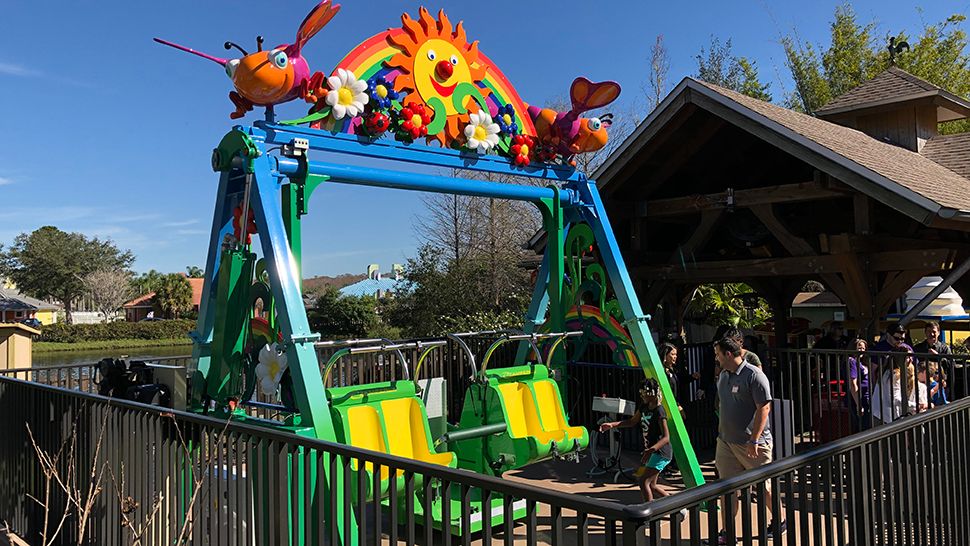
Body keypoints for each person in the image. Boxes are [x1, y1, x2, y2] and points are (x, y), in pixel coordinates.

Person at [709, 336, 784, 544]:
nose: (716, 359)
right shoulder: (723, 375)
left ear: (729, 354)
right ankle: (727, 532)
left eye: (718, 354)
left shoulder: (754, 375)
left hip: (752, 444)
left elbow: (764, 408)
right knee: (726, 488)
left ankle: (779, 520)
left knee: (763, 487)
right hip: (726, 442)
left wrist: (755, 440)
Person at [599, 378, 683, 509]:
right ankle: (678, 507)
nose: (642, 395)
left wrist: (651, 449)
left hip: (661, 452)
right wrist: (612, 425)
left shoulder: (659, 411)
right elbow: (632, 422)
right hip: (653, 452)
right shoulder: (643, 407)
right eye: (641, 392)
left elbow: (666, 437)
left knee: (643, 481)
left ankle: (649, 513)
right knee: (652, 486)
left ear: (653, 393)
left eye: (645, 393)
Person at [871, 346, 928, 424]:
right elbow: (895, 399)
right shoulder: (895, 374)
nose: (911, 360)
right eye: (908, 357)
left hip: (877, 412)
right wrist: (916, 405)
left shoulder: (886, 371)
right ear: (899, 358)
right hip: (885, 416)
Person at [846, 338, 872, 432]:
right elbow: (853, 384)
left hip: (866, 397)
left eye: (863, 348)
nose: (862, 350)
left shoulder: (861, 362)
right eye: (859, 348)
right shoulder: (852, 361)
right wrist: (858, 404)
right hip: (859, 399)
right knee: (863, 427)